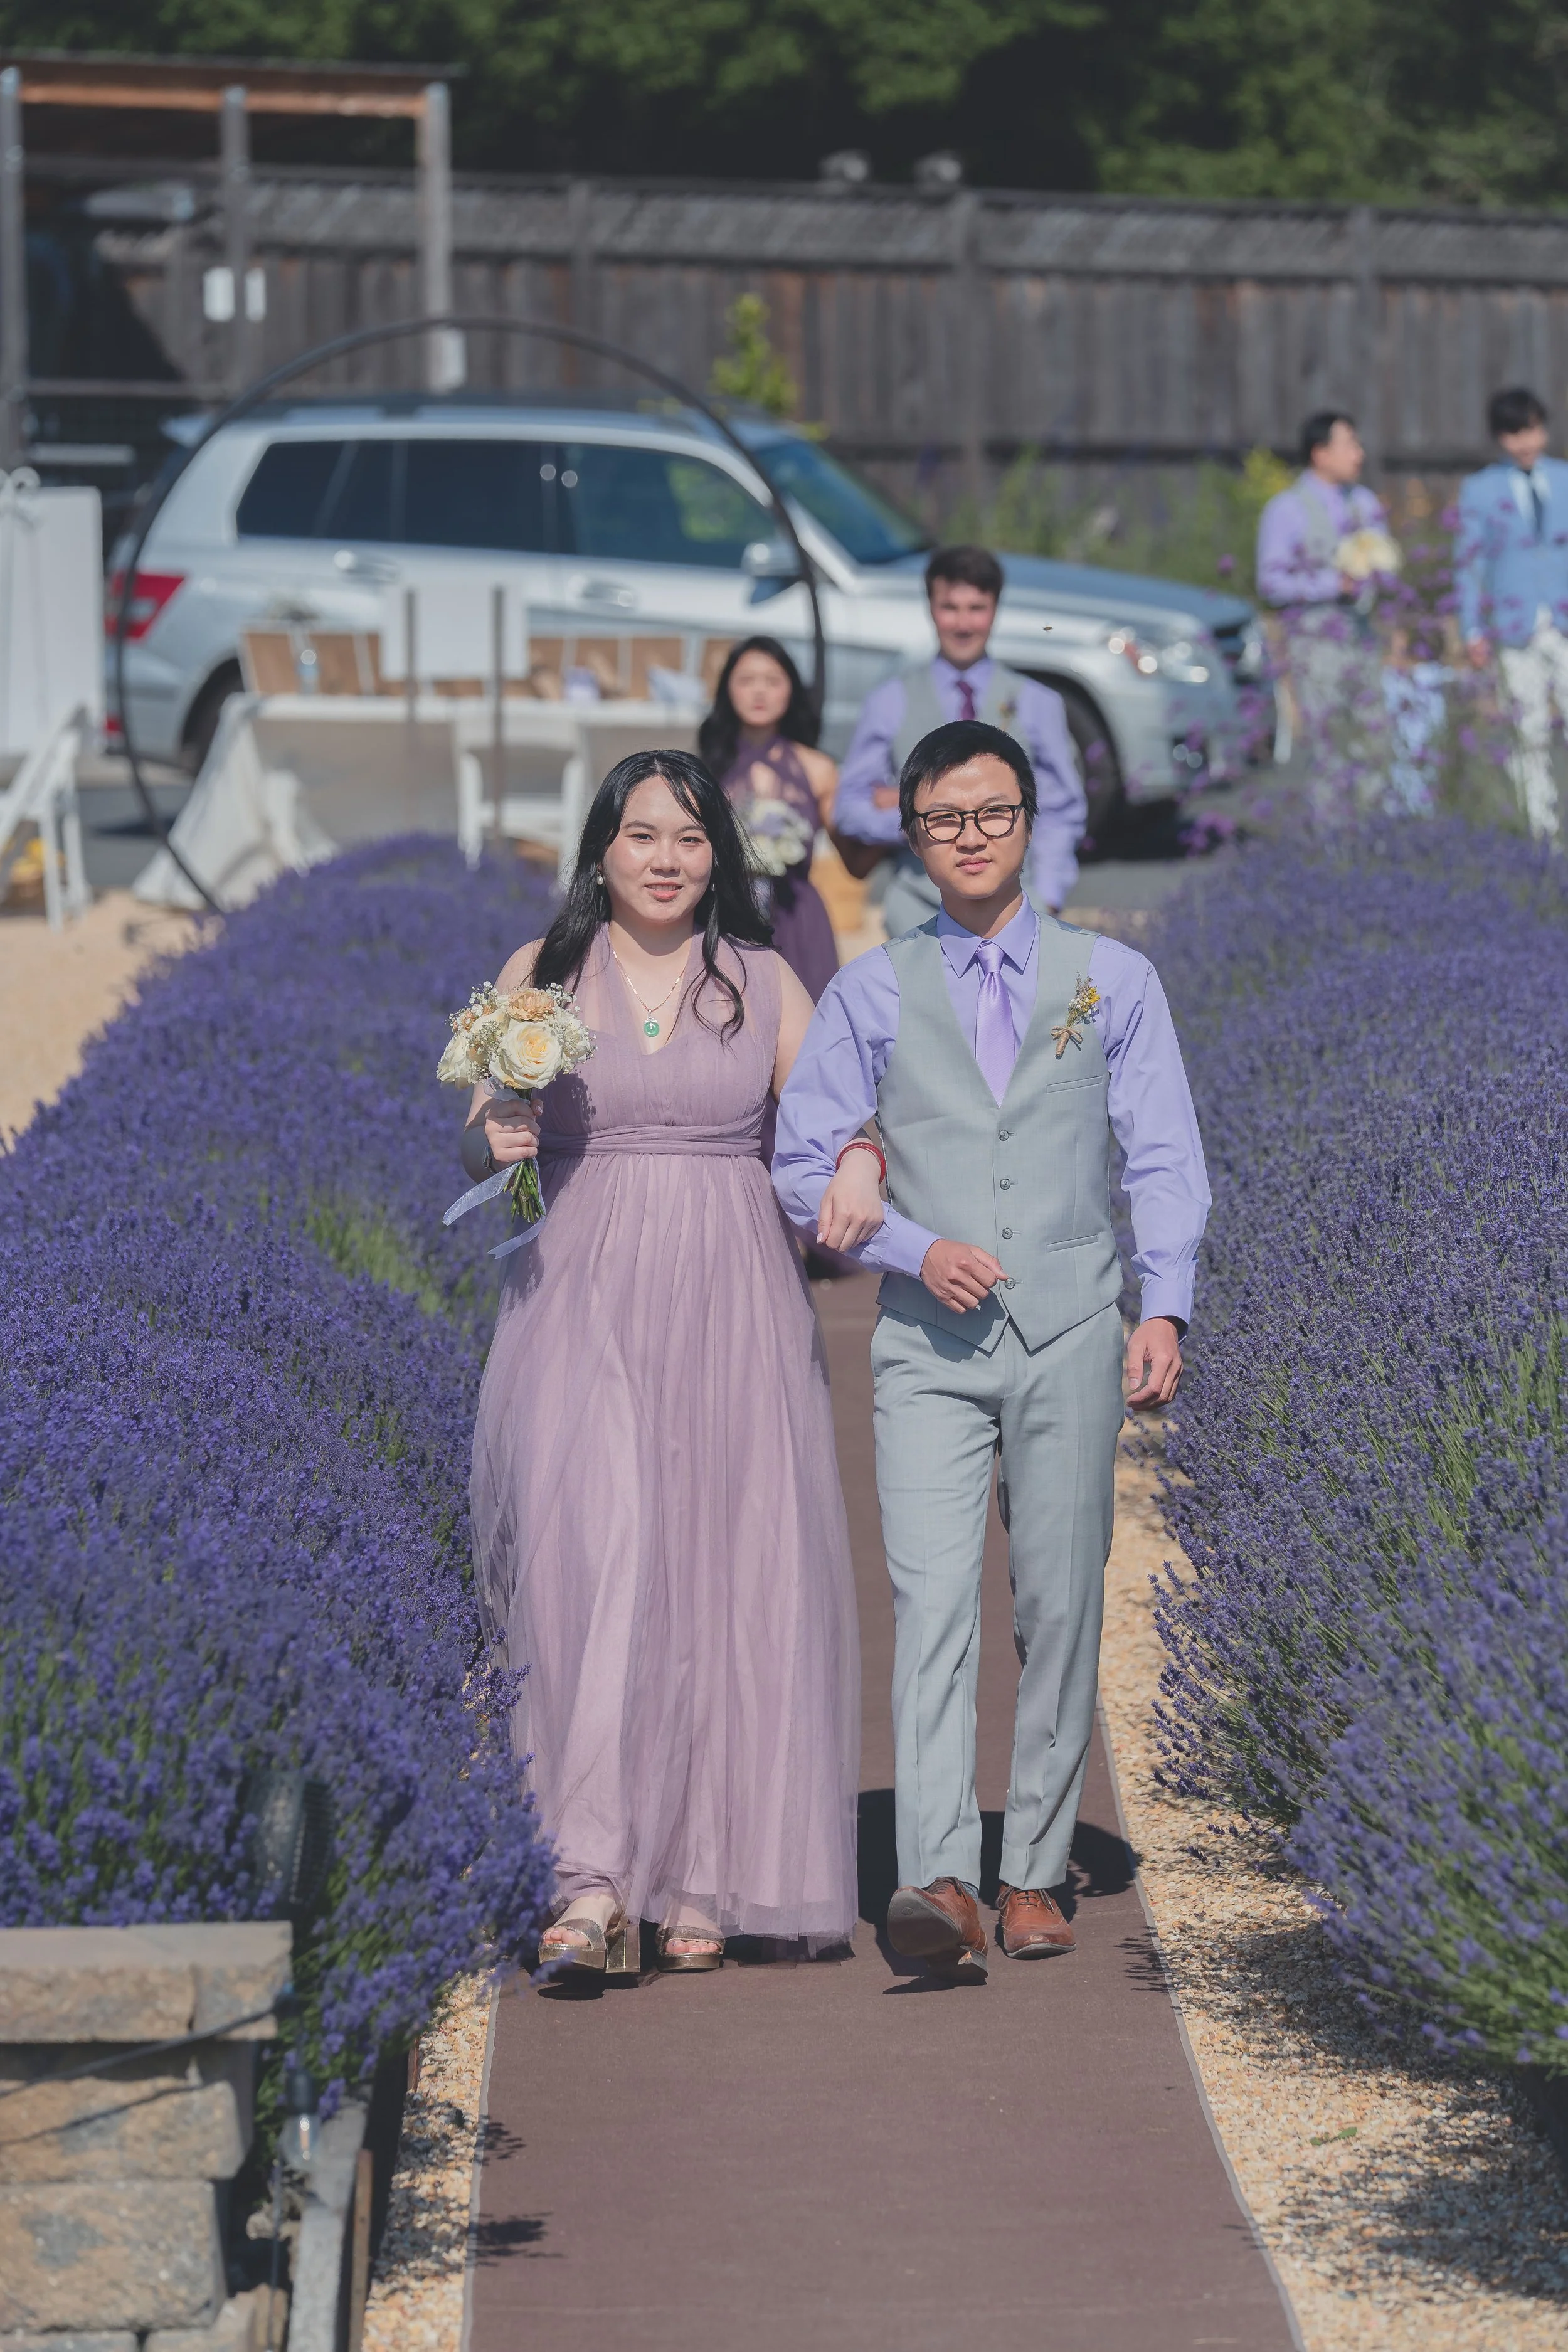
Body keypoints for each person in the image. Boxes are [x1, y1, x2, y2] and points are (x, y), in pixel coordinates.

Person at [776, 719, 1210, 1978]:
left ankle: (1031, 1869)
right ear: (910, 836)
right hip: (924, 1343)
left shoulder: (1107, 979)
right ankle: (933, 1879)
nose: (968, 837)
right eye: (942, 820)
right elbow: (799, 1160)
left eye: (991, 813)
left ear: (1029, 821)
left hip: (1075, 1323)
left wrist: (1163, 1305)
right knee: (929, 1603)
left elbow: (1163, 1156)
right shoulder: (870, 985)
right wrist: (909, 1246)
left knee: (1062, 1603)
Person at [464, 749, 878, 1982]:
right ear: (600, 848)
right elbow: (493, 1150)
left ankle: (702, 1863)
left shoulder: (761, 980)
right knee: (591, 1562)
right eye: (639, 835)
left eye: (688, 839)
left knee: (720, 1567)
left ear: (719, 857)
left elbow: (832, 1120)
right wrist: (496, 1132)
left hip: (730, 1298)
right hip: (579, 1295)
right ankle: (587, 1877)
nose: (662, 858)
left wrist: (856, 1159)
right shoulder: (539, 976)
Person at [832, 544, 1086, 933]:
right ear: (931, 609)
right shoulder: (890, 700)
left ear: (995, 609)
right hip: (918, 905)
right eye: (950, 608)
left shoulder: (1037, 702)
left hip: (1017, 903)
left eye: (977, 608)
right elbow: (848, 805)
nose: (963, 624)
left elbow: (1061, 808)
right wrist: (912, 818)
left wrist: (1049, 894)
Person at [1256, 410, 1395, 807]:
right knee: (1329, 747)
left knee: (1374, 740)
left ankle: (1376, 840)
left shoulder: (1364, 503)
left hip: (1362, 636)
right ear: (1321, 454)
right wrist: (1331, 584)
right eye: (1350, 445)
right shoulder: (1286, 509)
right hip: (1315, 641)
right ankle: (1333, 849)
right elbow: (1271, 582)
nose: (1359, 455)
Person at [699, 635, 841, 1001]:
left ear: (792, 690)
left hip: (798, 917)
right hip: (724, 917)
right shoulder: (704, 771)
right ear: (727, 689)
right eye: (746, 681)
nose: (759, 692)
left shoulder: (819, 769)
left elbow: (854, 851)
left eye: (773, 681)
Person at [1456, 386, 1568, 840]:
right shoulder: (1480, 489)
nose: (1525, 443)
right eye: (1514, 434)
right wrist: (1471, 627)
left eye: (1532, 430)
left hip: (1563, 620)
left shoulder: (1563, 478)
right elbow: (1470, 562)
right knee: (1529, 731)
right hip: (1513, 623)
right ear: (1499, 438)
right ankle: (1543, 832)